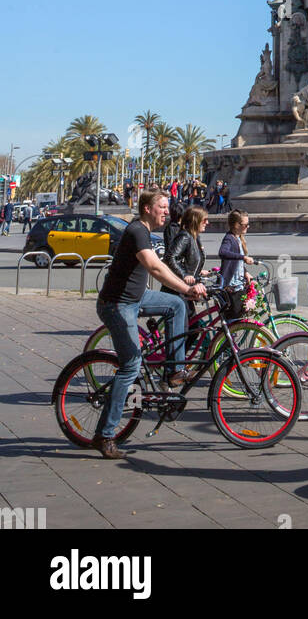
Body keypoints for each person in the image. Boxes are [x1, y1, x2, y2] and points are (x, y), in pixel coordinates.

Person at [93, 187, 206, 459]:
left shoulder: (146, 233)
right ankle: (105, 435)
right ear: (147, 208)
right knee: (131, 365)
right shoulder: (136, 231)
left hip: (137, 297)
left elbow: (163, 266)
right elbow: (154, 268)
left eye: (168, 207)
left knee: (176, 305)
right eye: (163, 207)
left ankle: (174, 370)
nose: (168, 211)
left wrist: (182, 288)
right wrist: (187, 288)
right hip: (117, 304)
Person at [162, 207, 208, 308]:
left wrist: (198, 271)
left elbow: (188, 259)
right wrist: (185, 275)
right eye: (204, 220)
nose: (207, 222)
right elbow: (170, 257)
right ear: (196, 220)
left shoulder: (195, 237)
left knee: (194, 322)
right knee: (184, 322)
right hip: (176, 289)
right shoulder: (185, 236)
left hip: (187, 289)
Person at [217, 210, 255, 320]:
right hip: (231, 287)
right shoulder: (229, 238)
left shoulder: (237, 238)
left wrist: (245, 272)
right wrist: (243, 257)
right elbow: (222, 252)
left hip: (238, 285)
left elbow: (237, 263)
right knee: (232, 321)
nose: (248, 227)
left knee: (238, 318)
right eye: (245, 225)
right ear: (236, 225)